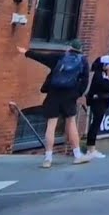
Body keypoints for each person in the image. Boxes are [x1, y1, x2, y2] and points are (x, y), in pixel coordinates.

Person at [18, 40, 90, 168]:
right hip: (70, 96)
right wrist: (76, 94)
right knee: (71, 122)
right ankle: (77, 155)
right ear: (81, 50)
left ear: (69, 47)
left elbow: (42, 57)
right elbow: (84, 81)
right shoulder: (83, 61)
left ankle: (48, 158)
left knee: (51, 125)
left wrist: (27, 52)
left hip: (54, 94)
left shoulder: (60, 56)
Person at [83, 55, 109, 159]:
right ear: (104, 64)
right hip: (98, 102)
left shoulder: (101, 74)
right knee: (95, 125)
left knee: (95, 124)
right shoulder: (98, 74)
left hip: (100, 101)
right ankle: (90, 149)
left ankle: (91, 148)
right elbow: (107, 86)